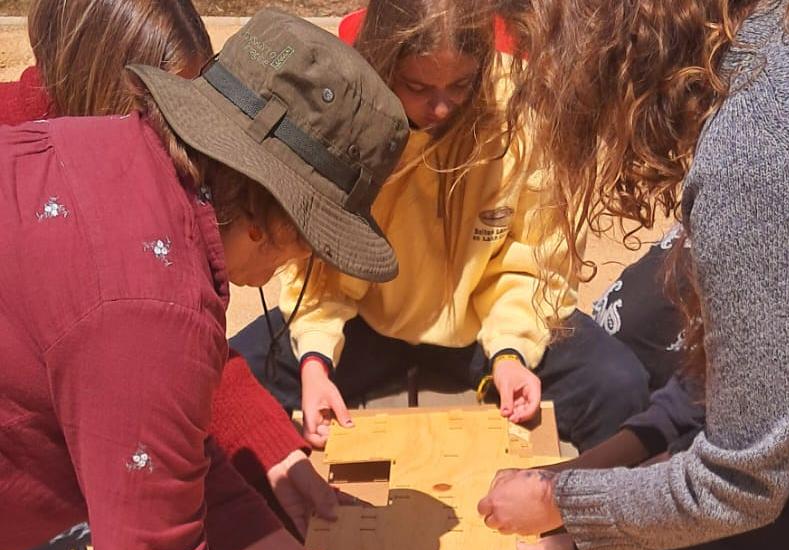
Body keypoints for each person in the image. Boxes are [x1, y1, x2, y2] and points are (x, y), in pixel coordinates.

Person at [0, 8, 410, 550]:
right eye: (311, 243)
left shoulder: (124, 159)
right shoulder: (157, 308)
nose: (297, 264)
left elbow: (161, 449)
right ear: (271, 220)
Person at [479, 0, 789, 550]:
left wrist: (566, 511)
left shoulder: (760, 152)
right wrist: (574, 480)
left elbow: (741, 482)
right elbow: (758, 387)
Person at [231, 0, 652, 454]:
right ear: (383, 62)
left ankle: (581, 517)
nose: (441, 107)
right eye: (417, 86)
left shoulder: (522, 110)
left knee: (618, 387)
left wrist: (511, 353)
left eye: (461, 85)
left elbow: (534, 261)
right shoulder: (339, 113)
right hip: (363, 322)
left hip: (481, 325)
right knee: (228, 383)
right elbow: (315, 268)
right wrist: (314, 360)